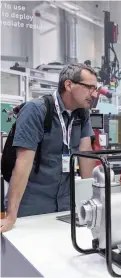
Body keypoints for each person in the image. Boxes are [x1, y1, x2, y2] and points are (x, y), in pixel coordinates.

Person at [1, 63, 98, 233]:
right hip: (32, 204)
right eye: (90, 88)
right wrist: (10, 216)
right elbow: (23, 164)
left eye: (95, 88)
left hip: (66, 203)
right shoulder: (37, 110)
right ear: (69, 85)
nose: (94, 94)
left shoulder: (83, 114)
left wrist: (92, 206)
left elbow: (85, 156)